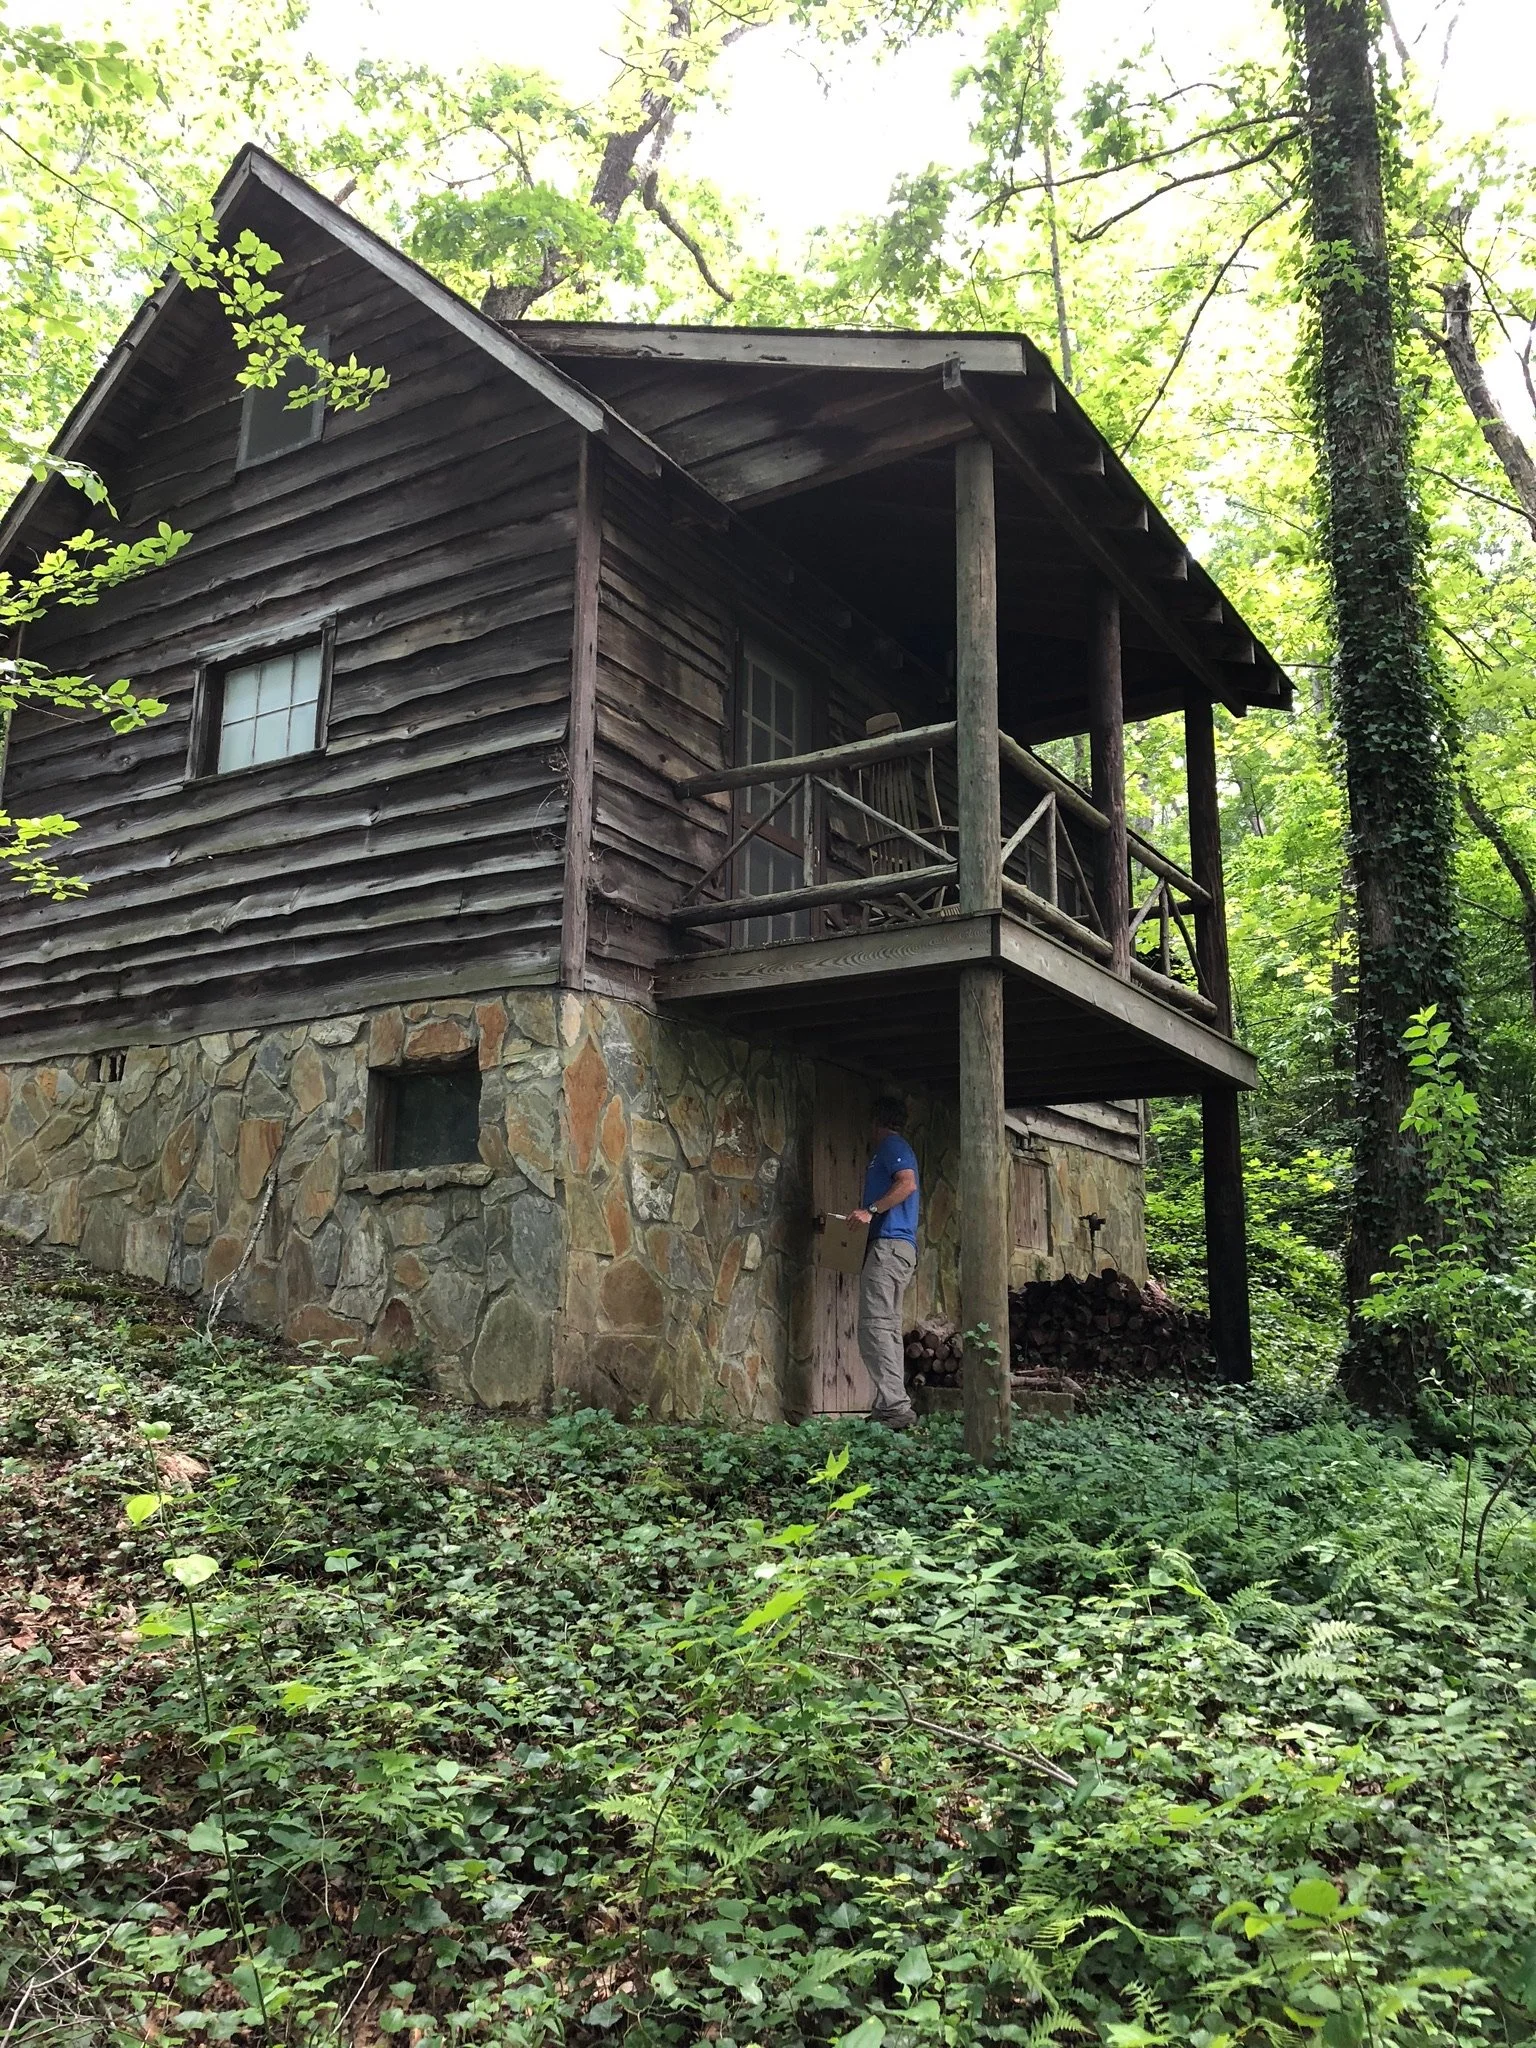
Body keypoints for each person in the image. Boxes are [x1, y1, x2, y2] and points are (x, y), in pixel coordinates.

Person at [849, 1095, 920, 1429]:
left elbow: (907, 1182)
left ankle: (894, 1407)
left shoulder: (892, 1146)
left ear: (877, 1120)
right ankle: (890, 1405)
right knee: (887, 1327)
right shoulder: (893, 1147)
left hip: (889, 1246)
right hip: (898, 1250)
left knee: (874, 1326)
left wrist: (870, 1210)